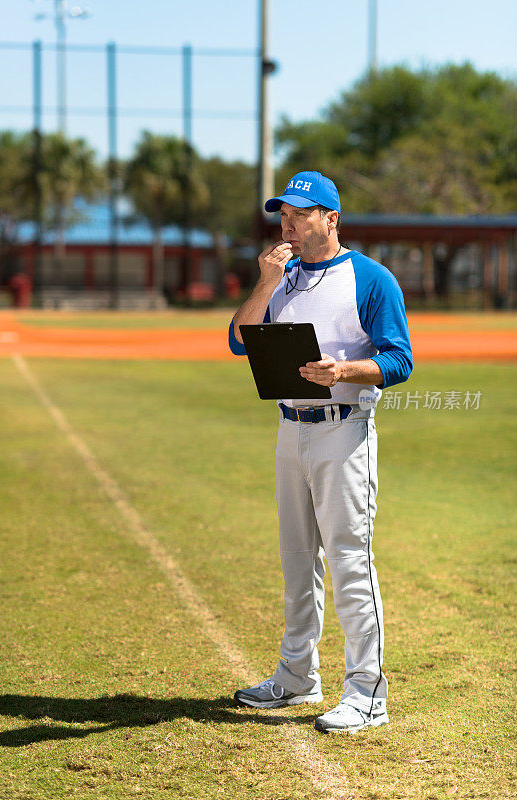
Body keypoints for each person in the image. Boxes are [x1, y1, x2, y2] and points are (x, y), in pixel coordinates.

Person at [228, 171, 413, 733]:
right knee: (296, 558)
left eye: (301, 214)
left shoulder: (370, 278)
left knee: (348, 560)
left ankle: (367, 693)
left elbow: (399, 360)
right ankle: (295, 676)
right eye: (283, 214)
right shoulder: (278, 280)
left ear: (331, 219)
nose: (288, 223)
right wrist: (264, 282)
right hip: (290, 428)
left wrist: (345, 370)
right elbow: (239, 340)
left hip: (344, 429)